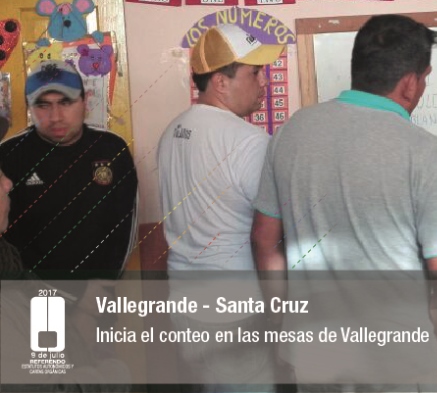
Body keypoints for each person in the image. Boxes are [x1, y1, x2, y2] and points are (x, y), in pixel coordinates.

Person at [252, 14, 437, 393]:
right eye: (424, 78)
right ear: (409, 82)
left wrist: (283, 322)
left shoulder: (292, 131)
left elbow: (265, 241)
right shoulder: (425, 151)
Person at [158, 23, 284, 393]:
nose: (264, 82)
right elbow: (271, 235)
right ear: (220, 82)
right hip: (233, 310)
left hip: (185, 304)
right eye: (255, 72)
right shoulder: (249, 142)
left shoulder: (172, 131)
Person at [0, 60, 137, 277]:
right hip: (31, 289)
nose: (55, 117)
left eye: (65, 102)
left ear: (85, 101)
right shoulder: (9, 154)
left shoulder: (112, 149)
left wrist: (105, 283)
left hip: (98, 289)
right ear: (29, 107)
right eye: (43, 105)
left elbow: (124, 226)